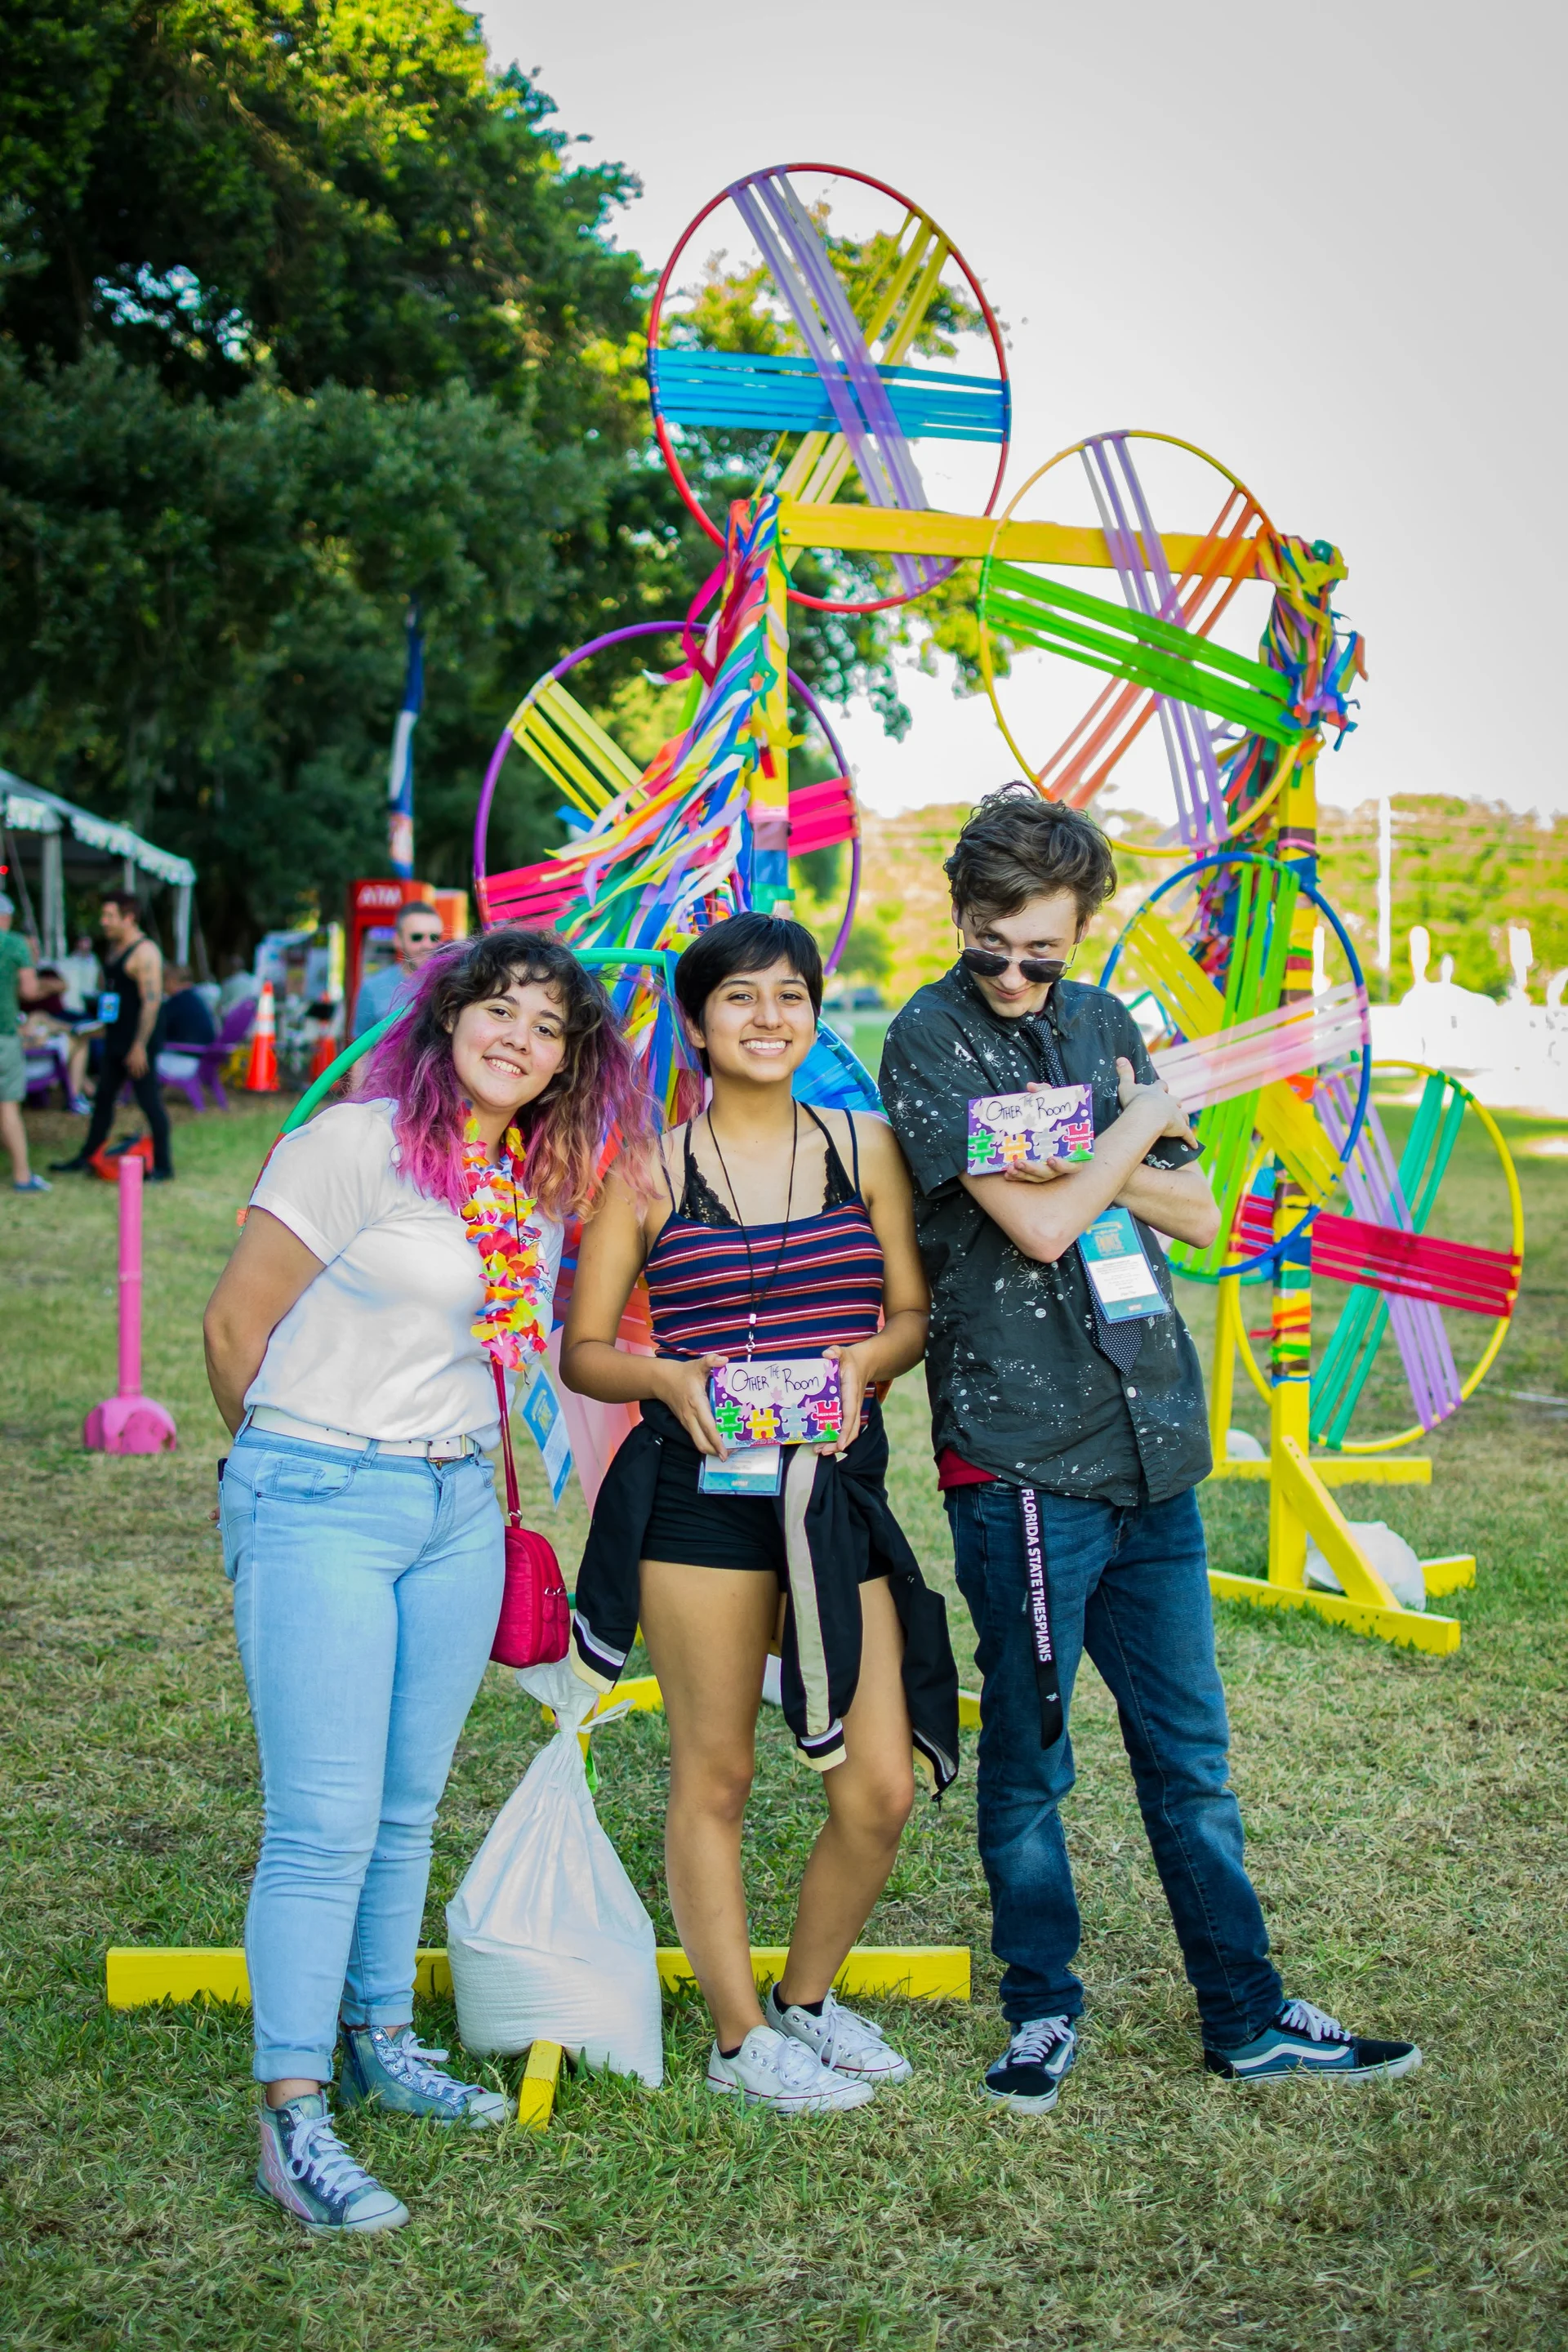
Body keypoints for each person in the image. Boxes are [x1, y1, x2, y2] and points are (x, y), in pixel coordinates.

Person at [879, 788, 1420, 2113]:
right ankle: (1041, 2010)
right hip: (1022, 1460)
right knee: (1033, 1752)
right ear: (961, 917)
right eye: (994, 944)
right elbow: (1046, 1228)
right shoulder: (927, 1038)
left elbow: (1200, 1210)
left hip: (1155, 1450)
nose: (1015, 975)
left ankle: (1246, 2014)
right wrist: (1133, 1121)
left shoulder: (1103, 1021)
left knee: (1192, 1757)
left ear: (1081, 934)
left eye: (1043, 953)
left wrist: (1095, 1151)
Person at [202, 925, 650, 2234]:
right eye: (498, 1010)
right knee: (321, 1822)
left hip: (458, 1506)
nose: (518, 1037)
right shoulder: (354, 1142)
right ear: (449, 1017)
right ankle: (293, 2111)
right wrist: (291, 1475)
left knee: (404, 1808)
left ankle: (381, 2038)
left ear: (569, 1060)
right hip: (322, 1494)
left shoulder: (521, 1177)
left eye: (548, 1026)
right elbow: (237, 1326)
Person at [562, 911, 960, 2117]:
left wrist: (859, 1370)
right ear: (695, 1025)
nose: (769, 1018)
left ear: (814, 1012)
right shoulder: (643, 1168)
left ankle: (805, 2001)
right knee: (715, 1775)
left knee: (878, 1785)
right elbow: (585, 1352)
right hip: (699, 1505)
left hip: (832, 1494)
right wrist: (670, 1380)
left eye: (790, 996)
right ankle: (742, 2042)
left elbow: (910, 1313)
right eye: (740, 999)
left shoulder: (865, 1147)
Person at [51, 891, 173, 1182]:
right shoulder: (115, 949)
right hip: (116, 1039)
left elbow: (151, 1002)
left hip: (138, 1043)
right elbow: (114, 997)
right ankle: (87, 1156)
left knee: (149, 1102)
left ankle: (164, 1167)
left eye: (110, 917)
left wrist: (140, 1046)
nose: (104, 922)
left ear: (129, 918)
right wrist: (99, 1027)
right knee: (103, 1098)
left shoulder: (145, 953)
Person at [0, 890, 48, 1192]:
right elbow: (30, 991)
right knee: (7, 1108)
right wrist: (54, 985)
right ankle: (22, 1176)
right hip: (4, 1035)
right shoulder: (14, 943)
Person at [353, 902, 445, 1038]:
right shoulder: (372, 988)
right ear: (398, 940)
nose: (427, 945)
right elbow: (359, 1052)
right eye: (417, 937)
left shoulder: (451, 983)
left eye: (434, 938)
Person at [161, 964, 218, 1048]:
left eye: (165, 980)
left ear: (173, 980)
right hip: (201, 1052)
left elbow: (159, 1027)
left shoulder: (178, 1001)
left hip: (187, 1053)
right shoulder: (194, 998)